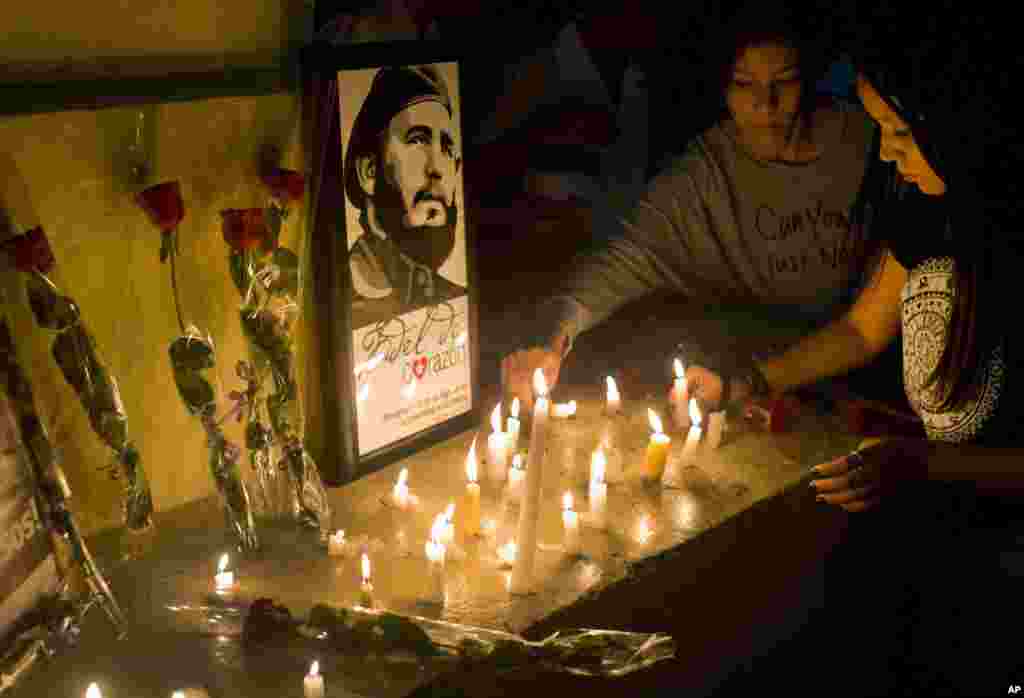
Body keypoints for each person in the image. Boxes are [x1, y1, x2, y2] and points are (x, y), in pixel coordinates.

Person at [687, 6, 1023, 693]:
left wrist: (922, 462)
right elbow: (861, 330)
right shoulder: (929, 207)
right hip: (935, 541)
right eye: (882, 132)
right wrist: (749, 380)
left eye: (902, 132)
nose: (890, 152)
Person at [500, 0, 886, 413]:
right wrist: (548, 338)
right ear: (722, 87)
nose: (765, 104)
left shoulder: (873, 145)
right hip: (758, 386)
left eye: (785, 82)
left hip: (866, 386)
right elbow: (620, 261)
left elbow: (872, 321)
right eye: (743, 84)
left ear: (809, 77)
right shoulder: (703, 178)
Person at [344, 64, 467, 329]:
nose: (436, 168)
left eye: (446, 148)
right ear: (369, 171)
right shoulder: (338, 299)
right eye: (418, 140)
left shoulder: (458, 301)